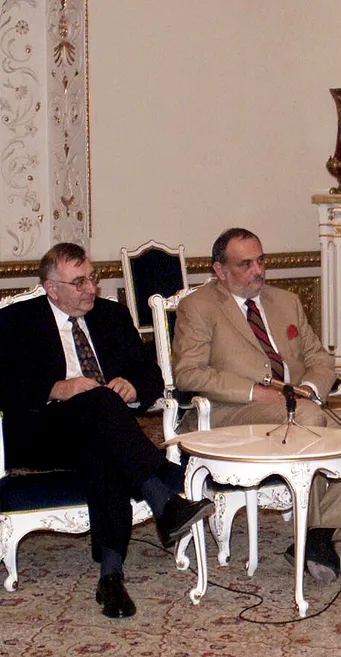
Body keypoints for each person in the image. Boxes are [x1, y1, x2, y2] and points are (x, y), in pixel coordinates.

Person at [0, 243, 214, 619]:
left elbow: (151, 374)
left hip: (103, 429)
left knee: (102, 444)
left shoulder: (112, 315)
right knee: (100, 405)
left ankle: (110, 577)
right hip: (42, 433)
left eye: (92, 278)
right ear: (51, 288)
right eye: (79, 282)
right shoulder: (17, 320)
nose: (90, 289)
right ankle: (162, 498)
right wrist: (57, 388)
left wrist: (133, 386)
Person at [172, 227, 341, 583]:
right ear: (220, 270)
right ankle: (314, 538)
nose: (257, 271)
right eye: (245, 264)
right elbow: (188, 373)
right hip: (232, 414)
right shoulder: (199, 307)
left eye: (261, 261)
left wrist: (309, 387)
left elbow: (320, 359)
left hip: (298, 407)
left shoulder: (285, 301)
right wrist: (255, 393)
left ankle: (319, 535)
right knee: (309, 417)